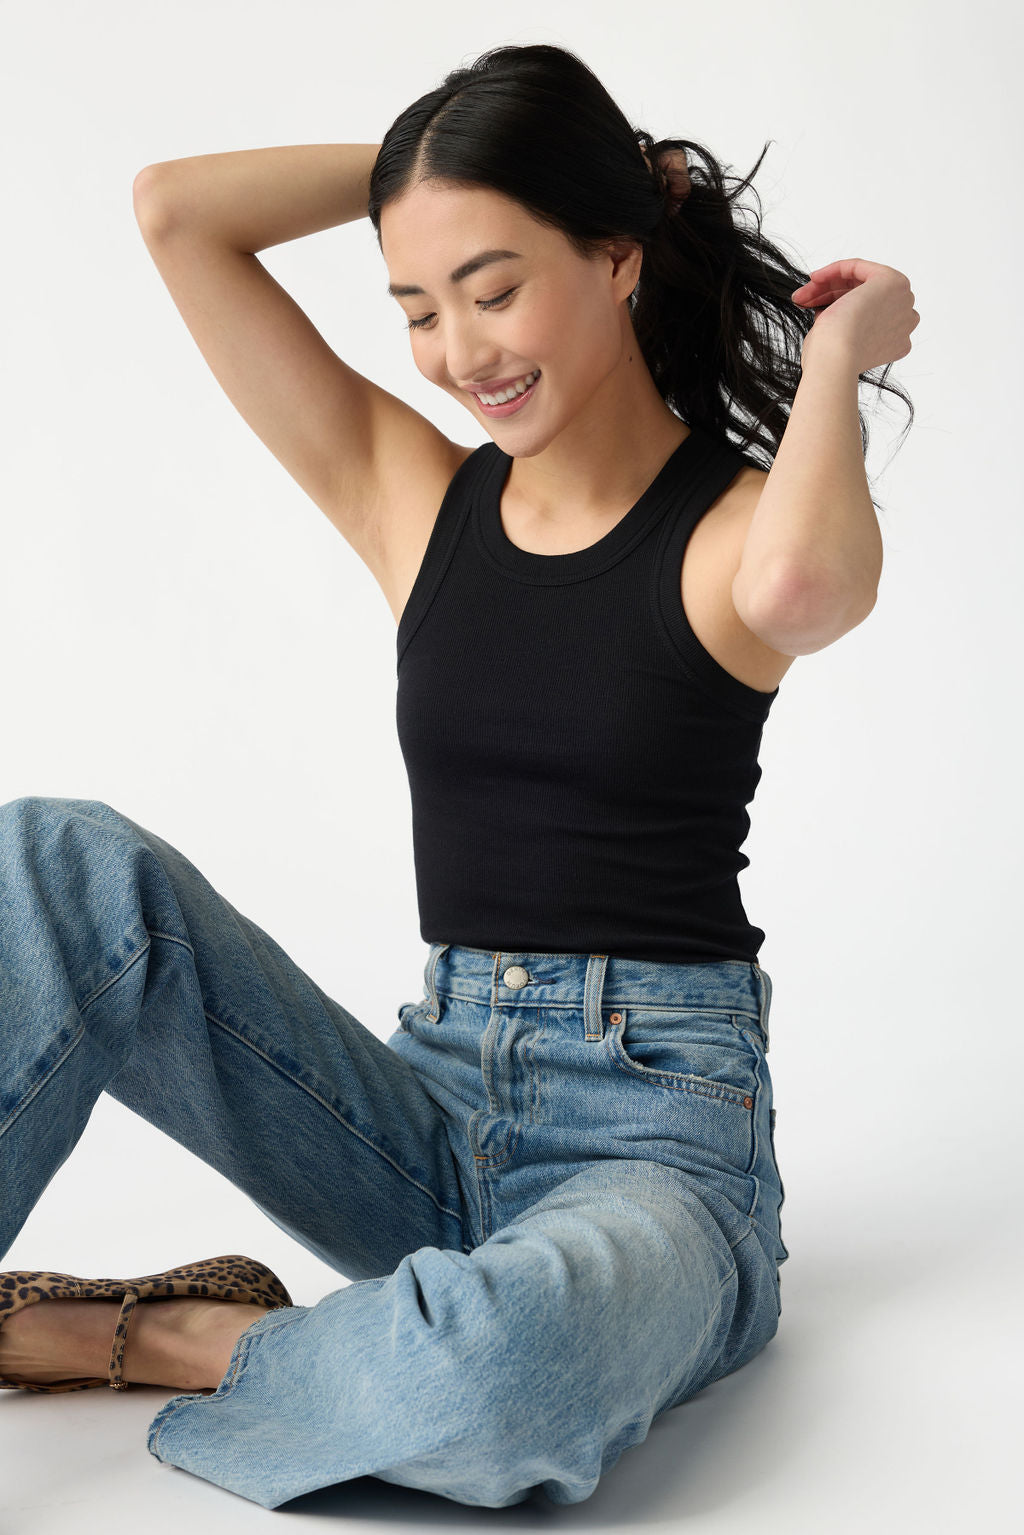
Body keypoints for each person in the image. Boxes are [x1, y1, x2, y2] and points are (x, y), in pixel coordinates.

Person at [0, 41, 917, 1513]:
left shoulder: (733, 531)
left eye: (493, 288)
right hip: (426, 1112)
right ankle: (374, 1340)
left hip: (660, 1155)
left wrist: (840, 354)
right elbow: (176, 209)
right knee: (54, 860)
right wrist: (437, 170)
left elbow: (811, 584)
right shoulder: (414, 496)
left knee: (502, 1380)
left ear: (619, 251)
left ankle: (164, 1334)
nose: (457, 351)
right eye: (418, 307)